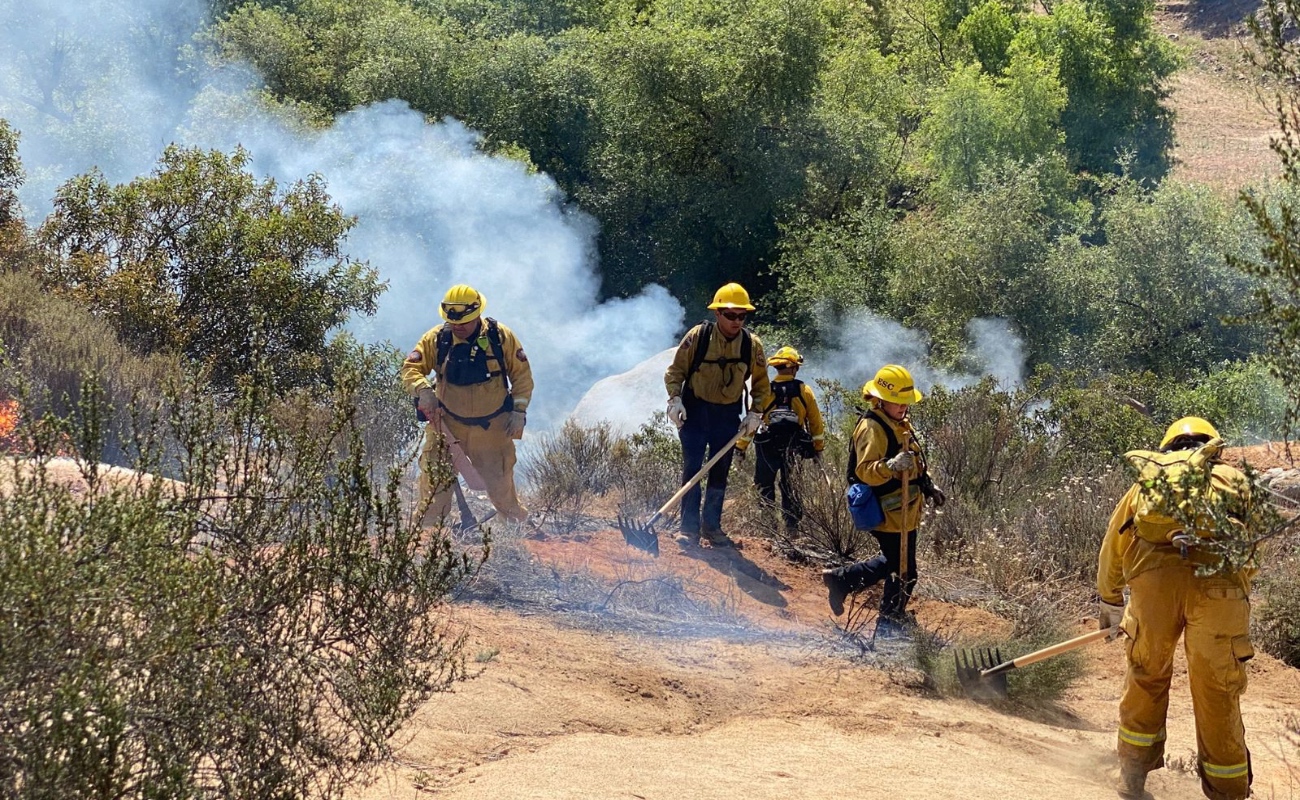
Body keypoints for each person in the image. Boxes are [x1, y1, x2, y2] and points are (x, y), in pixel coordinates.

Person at [1097, 416, 1255, 800]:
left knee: (1146, 676)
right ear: (1213, 447)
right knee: (1217, 689)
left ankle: (1132, 776)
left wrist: (1110, 599)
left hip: (1153, 587)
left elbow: (1114, 544)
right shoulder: (1233, 481)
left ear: (1168, 448)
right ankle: (1229, 790)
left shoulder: (1148, 482)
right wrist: (1237, 586)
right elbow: (1253, 547)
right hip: (1219, 586)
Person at [821, 364, 944, 636]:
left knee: (898, 565)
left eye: (906, 402)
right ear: (880, 399)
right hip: (887, 511)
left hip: (905, 511)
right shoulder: (872, 428)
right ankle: (888, 627)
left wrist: (928, 484)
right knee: (903, 571)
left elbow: (914, 462)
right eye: (897, 401)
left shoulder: (899, 423)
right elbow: (864, 471)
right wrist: (890, 466)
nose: (903, 406)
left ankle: (842, 581)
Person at [401, 284, 533, 525]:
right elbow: (411, 368)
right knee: (434, 488)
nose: (457, 327)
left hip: (492, 430)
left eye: (463, 322)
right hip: (447, 427)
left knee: (501, 488)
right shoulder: (437, 339)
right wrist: (423, 389)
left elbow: (522, 376)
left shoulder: (500, 337)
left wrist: (519, 411)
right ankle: (427, 538)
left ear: (477, 314)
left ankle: (518, 531)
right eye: (453, 322)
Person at [664, 282, 771, 548]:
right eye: (731, 315)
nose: (737, 321)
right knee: (693, 468)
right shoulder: (698, 337)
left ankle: (712, 527)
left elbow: (761, 385)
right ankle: (688, 529)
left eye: (742, 316)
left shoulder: (752, 345)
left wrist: (755, 413)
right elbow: (675, 372)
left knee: (720, 470)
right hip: (695, 411)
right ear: (718, 313)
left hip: (727, 415)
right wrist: (675, 400)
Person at [736, 345, 825, 533]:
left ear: (777, 368)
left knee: (764, 485)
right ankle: (792, 528)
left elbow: (752, 423)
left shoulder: (766, 391)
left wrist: (740, 448)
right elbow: (815, 424)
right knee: (791, 487)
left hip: (767, 446)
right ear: (795, 368)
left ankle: (768, 527)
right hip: (794, 446)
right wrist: (818, 449)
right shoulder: (804, 391)